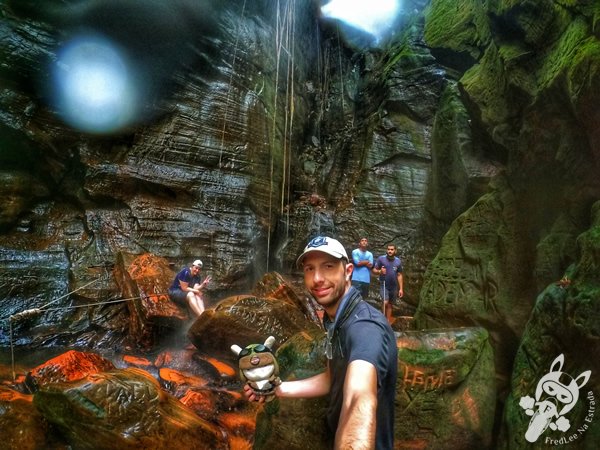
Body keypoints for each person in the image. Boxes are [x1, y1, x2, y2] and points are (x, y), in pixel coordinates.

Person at [244, 236, 397, 449]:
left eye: (328, 266)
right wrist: (277, 389)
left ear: (348, 271)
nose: (317, 278)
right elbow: (330, 378)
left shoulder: (365, 327)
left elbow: (359, 397)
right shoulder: (337, 320)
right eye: (309, 269)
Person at [373, 244, 403, 324]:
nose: (390, 251)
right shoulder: (381, 259)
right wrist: (380, 271)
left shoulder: (398, 261)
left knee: (390, 304)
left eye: (392, 249)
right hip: (384, 284)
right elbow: (374, 270)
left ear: (395, 251)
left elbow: (399, 275)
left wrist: (401, 289)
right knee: (385, 302)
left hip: (393, 286)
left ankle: (387, 321)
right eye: (388, 249)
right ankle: (382, 319)